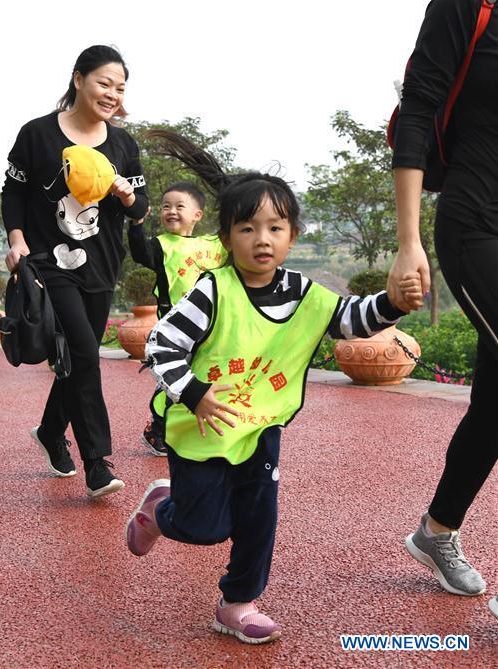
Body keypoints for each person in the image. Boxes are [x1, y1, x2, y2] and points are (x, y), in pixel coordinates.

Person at [126, 131, 421, 643]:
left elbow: (350, 319)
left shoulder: (302, 292)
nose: (261, 239)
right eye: (247, 228)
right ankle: (161, 508)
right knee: (204, 528)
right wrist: (194, 393)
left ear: (291, 235)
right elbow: (161, 345)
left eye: (274, 228)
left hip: (261, 427)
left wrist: (392, 303)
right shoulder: (211, 290)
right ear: (226, 238)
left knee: (259, 517)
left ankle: (238, 602)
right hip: (201, 428)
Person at [386, 0, 498, 617]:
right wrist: (409, 242)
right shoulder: (466, 5)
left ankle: (436, 530)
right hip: (476, 223)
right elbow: (419, 110)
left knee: (493, 406)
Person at [2, 45, 149, 498]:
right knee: (85, 352)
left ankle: (50, 430)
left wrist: (127, 197)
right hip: (49, 263)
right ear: (79, 79)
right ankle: (98, 463)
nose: (111, 93)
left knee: (75, 358)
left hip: (102, 268)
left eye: (120, 87)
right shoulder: (37, 134)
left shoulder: (124, 144)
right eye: (104, 82)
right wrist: (16, 238)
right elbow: (14, 192)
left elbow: (141, 208)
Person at [129, 183, 227, 455]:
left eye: (179, 206)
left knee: (204, 374)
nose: (171, 211)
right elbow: (140, 254)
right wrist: (136, 223)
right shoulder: (161, 245)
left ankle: (192, 424)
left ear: (197, 214)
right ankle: (157, 429)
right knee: (174, 375)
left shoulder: (214, 244)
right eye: (166, 206)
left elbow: (237, 229)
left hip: (211, 325)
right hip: (176, 328)